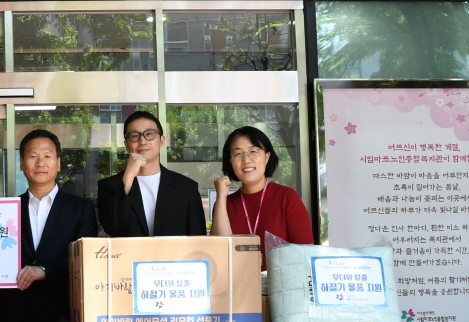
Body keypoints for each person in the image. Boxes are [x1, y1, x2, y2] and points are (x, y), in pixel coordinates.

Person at [0, 129, 97, 322]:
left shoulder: (80, 208)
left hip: (61, 319)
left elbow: (86, 258)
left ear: (58, 163)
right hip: (11, 320)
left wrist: (46, 271)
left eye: (47, 156)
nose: (40, 163)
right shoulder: (4, 210)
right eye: (32, 156)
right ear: (21, 163)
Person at [210, 125, 313, 269]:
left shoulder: (287, 198)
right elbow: (219, 252)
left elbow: (305, 253)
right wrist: (221, 198)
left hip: (280, 287)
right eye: (238, 154)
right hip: (237, 287)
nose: (246, 160)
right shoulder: (225, 204)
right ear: (230, 161)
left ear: (267, 156)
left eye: (253, 151)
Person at [97, 110, 206, 237]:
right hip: (129, 257)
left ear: (162, 140)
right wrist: (128, 178)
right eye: (134, 136)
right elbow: (113, 229)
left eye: (149, 134)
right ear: (126, 145)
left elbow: (198, 238)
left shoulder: (186, 187)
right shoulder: (109, 186)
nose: (142, 141)